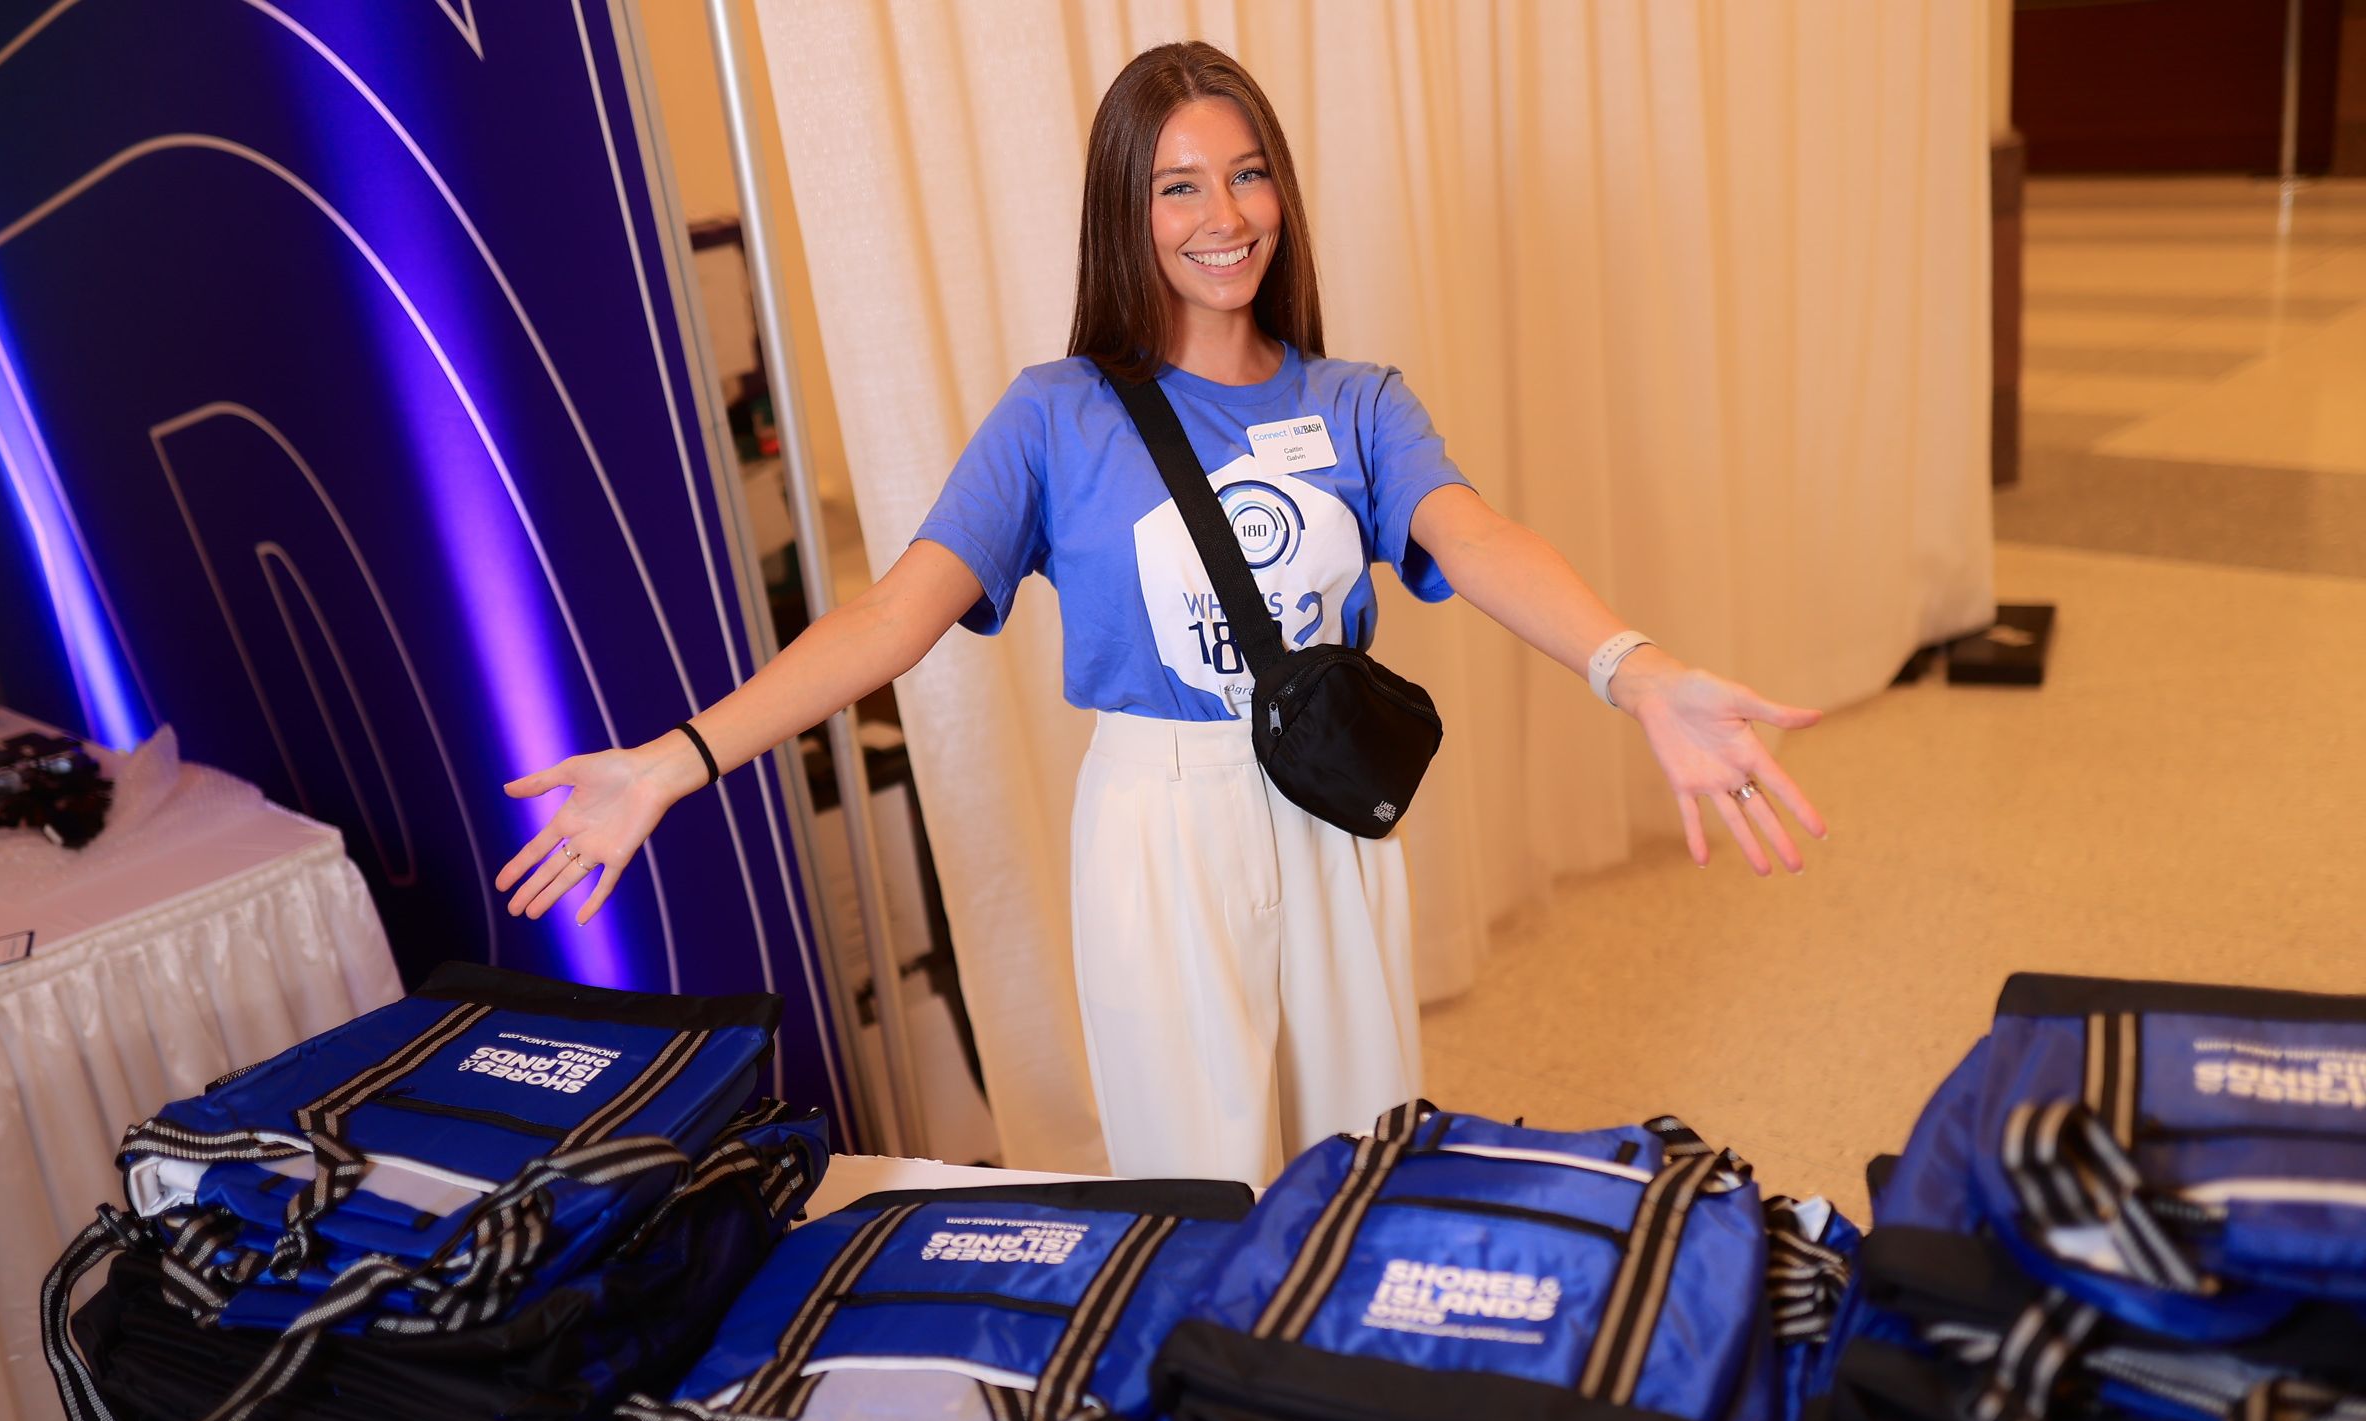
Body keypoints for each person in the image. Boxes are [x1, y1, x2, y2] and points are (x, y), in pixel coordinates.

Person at [495, 41, 1826, 1187]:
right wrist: (674, 761)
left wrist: (1635, 671)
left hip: (1327, 811)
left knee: (1357, 1160)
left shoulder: (1358, 400)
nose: (1222, 214)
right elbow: (894, 619)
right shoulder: (1056, 416)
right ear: (1123, 214)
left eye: (1248, 174)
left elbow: (1471, 536)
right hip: (1158, 823)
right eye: (1177, 185)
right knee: (1201, 1179)